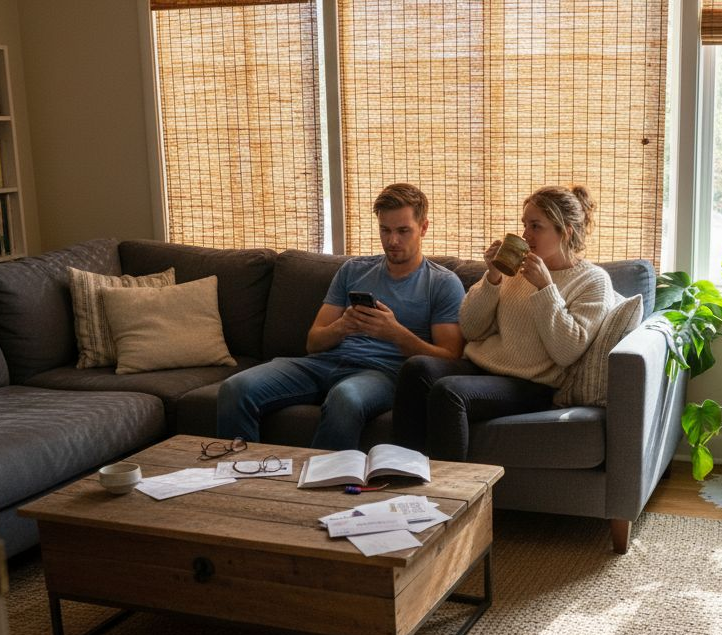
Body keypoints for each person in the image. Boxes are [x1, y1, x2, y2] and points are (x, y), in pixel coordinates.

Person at [217, 183, 465, 450]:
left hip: (382, 373)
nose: (392, 241)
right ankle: (239, 484)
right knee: (235, 389)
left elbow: (449, 357)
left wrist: (395, 333)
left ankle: (318, 486)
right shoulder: (354, 270)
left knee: (344, 398)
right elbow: (313, 343)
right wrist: (342, 326)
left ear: (424, 228)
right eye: (385, 230)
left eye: (403, 231)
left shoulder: (442, 282)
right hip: (324, 363)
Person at [394, 185, 614, 460]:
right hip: (483, 367)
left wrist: (546, 288)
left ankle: (454, 495)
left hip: (533, 384)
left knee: (449, 392)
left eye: (536, 226)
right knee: (416, 368)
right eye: (524, 225)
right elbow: (472, 328)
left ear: (565, 231)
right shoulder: (515, 269)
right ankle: (399, 472)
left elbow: (567, 352)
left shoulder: (592, 281)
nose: (525, 235)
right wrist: (493, 277)